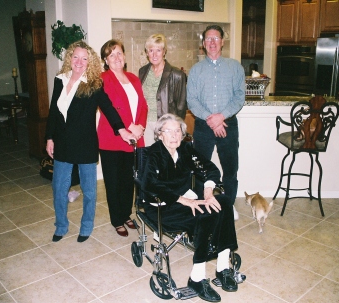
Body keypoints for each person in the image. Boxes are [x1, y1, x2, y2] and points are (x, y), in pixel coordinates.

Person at [141, 114, 241, 303]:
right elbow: (150, 185)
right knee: (205, 215)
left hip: (187, 199)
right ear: (160, 134)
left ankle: (222, 267)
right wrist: (185, 200)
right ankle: (197, 277)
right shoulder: (154, 153)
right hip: (163, 206)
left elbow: (211, 169)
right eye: (168, 131)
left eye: (177, 130)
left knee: (225, 203)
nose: (174, 135)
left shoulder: (186, 149)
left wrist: (209, 191)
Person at [45, 40, 135, 243]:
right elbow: (53, 112)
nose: (79, 61)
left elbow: (108, 108)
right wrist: (49, 137)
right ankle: (61, 225)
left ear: (90, 62)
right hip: (62, 143)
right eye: (76, 57)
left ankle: (86, 226)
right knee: (59, 188)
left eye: (84, 58)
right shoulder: (60, 79)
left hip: (85, 144)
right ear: (70, 58)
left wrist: (121, 129)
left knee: (89, 191)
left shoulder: (94, 84)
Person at [187, 25, 245, 218]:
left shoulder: (235, 67)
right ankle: (201, 204)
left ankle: (228, 205)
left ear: (222, 42)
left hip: (228, 124)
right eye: (208, 39)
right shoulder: (195, 70)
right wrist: (211, 120)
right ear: (203, 44)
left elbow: (239, 97)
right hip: (203, 127)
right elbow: (192, 100)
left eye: (216, 38)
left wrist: (221, 117)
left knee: (230, 168)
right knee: (199, 168)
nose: (212, 42)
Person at [98, 39, 148, 237]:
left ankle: (126, 214)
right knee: (114, 181)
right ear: (106, 60)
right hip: (113, 138)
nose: (116, 58)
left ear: (125, 56)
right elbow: (109, 108)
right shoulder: (101, 79)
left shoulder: (133, 78)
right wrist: (128, 128)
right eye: (112, 55)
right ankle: (117, 219)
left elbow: (143, 105)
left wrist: (140, 126)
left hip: (135, 137)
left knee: (129, 180)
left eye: (119, 53)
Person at [138, 34, 187, 145]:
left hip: (166, 126)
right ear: (146, 53)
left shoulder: (177, 74)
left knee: (165, 159)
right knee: (149, 159)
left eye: (158, 50)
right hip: (145, 125)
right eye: (151, 50)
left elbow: (181, 106)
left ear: (164, 51)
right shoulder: (142, 72)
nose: (154, 55)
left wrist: (175, 128)